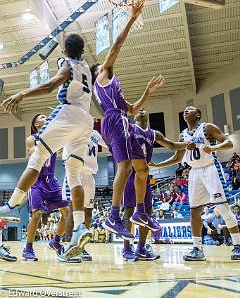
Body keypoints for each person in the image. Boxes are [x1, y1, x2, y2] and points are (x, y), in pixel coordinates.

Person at [0, 34, 94, 262]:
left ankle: (11, 204)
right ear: (82, 50)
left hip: (69, 112)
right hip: (86, 121)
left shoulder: (68, 64)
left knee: (39, 156)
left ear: (64, 51)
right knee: (74, 175)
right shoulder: (87, 69)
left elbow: (52, 85)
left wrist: (22, 93)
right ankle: (80, 225)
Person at [91, 0, 164, 239]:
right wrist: (132, 18)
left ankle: (140, 211)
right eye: (102, 65)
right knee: (125, 167)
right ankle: (113, 215)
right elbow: (116, 46)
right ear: (98, 71)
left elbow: (133, 109)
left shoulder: (113, 87)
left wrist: (148, 91)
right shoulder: (103, 75)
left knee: (141, 169)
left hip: (121, 119)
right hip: (115, 121)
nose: (107, 64)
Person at [150, 106, 240, 260]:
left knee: (222, 206)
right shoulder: (183, 135)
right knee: (194, 211)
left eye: (190, 109)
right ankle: (197, 249)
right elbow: (177, 158)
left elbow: (229, 143)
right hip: (194, 172)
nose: (186, 110)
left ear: (198, 115)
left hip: (211, 168)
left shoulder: (208, 127)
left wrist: (213, 147)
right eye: (185, 109)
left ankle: (237, 245)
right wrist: (158, 166)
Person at [122, 109, 189, 261]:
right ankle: (126, 248)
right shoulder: (130, 128)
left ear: (148, 116)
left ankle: (141, 247)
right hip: (130, 174)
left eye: (144, 109)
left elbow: (172, 145)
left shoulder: (154, 134)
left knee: (148, 211)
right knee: (129, 210)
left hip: (144, 175)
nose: (141, 110)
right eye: (138, 110)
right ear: (135, 116)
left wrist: (188, 144)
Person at [23, 114, 69, 261]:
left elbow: (63, 147)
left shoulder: (53, 137)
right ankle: (28, 248)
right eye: (43, 117)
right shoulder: (31, 139)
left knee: (67, 212)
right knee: (36, 214)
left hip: (51, 180)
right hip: (36, 180)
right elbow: (34, 152)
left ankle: (55, 242)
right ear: (37, 124)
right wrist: (51, 139)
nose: (46, 117)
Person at [62, 128, 107, 261]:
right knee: (73, 209)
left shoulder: (95, 133)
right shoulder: (73, 126)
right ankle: (68, 245)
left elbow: (109, 143)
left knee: (88, 212)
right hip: (75, 171)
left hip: (89, 175)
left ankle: (81, 246)